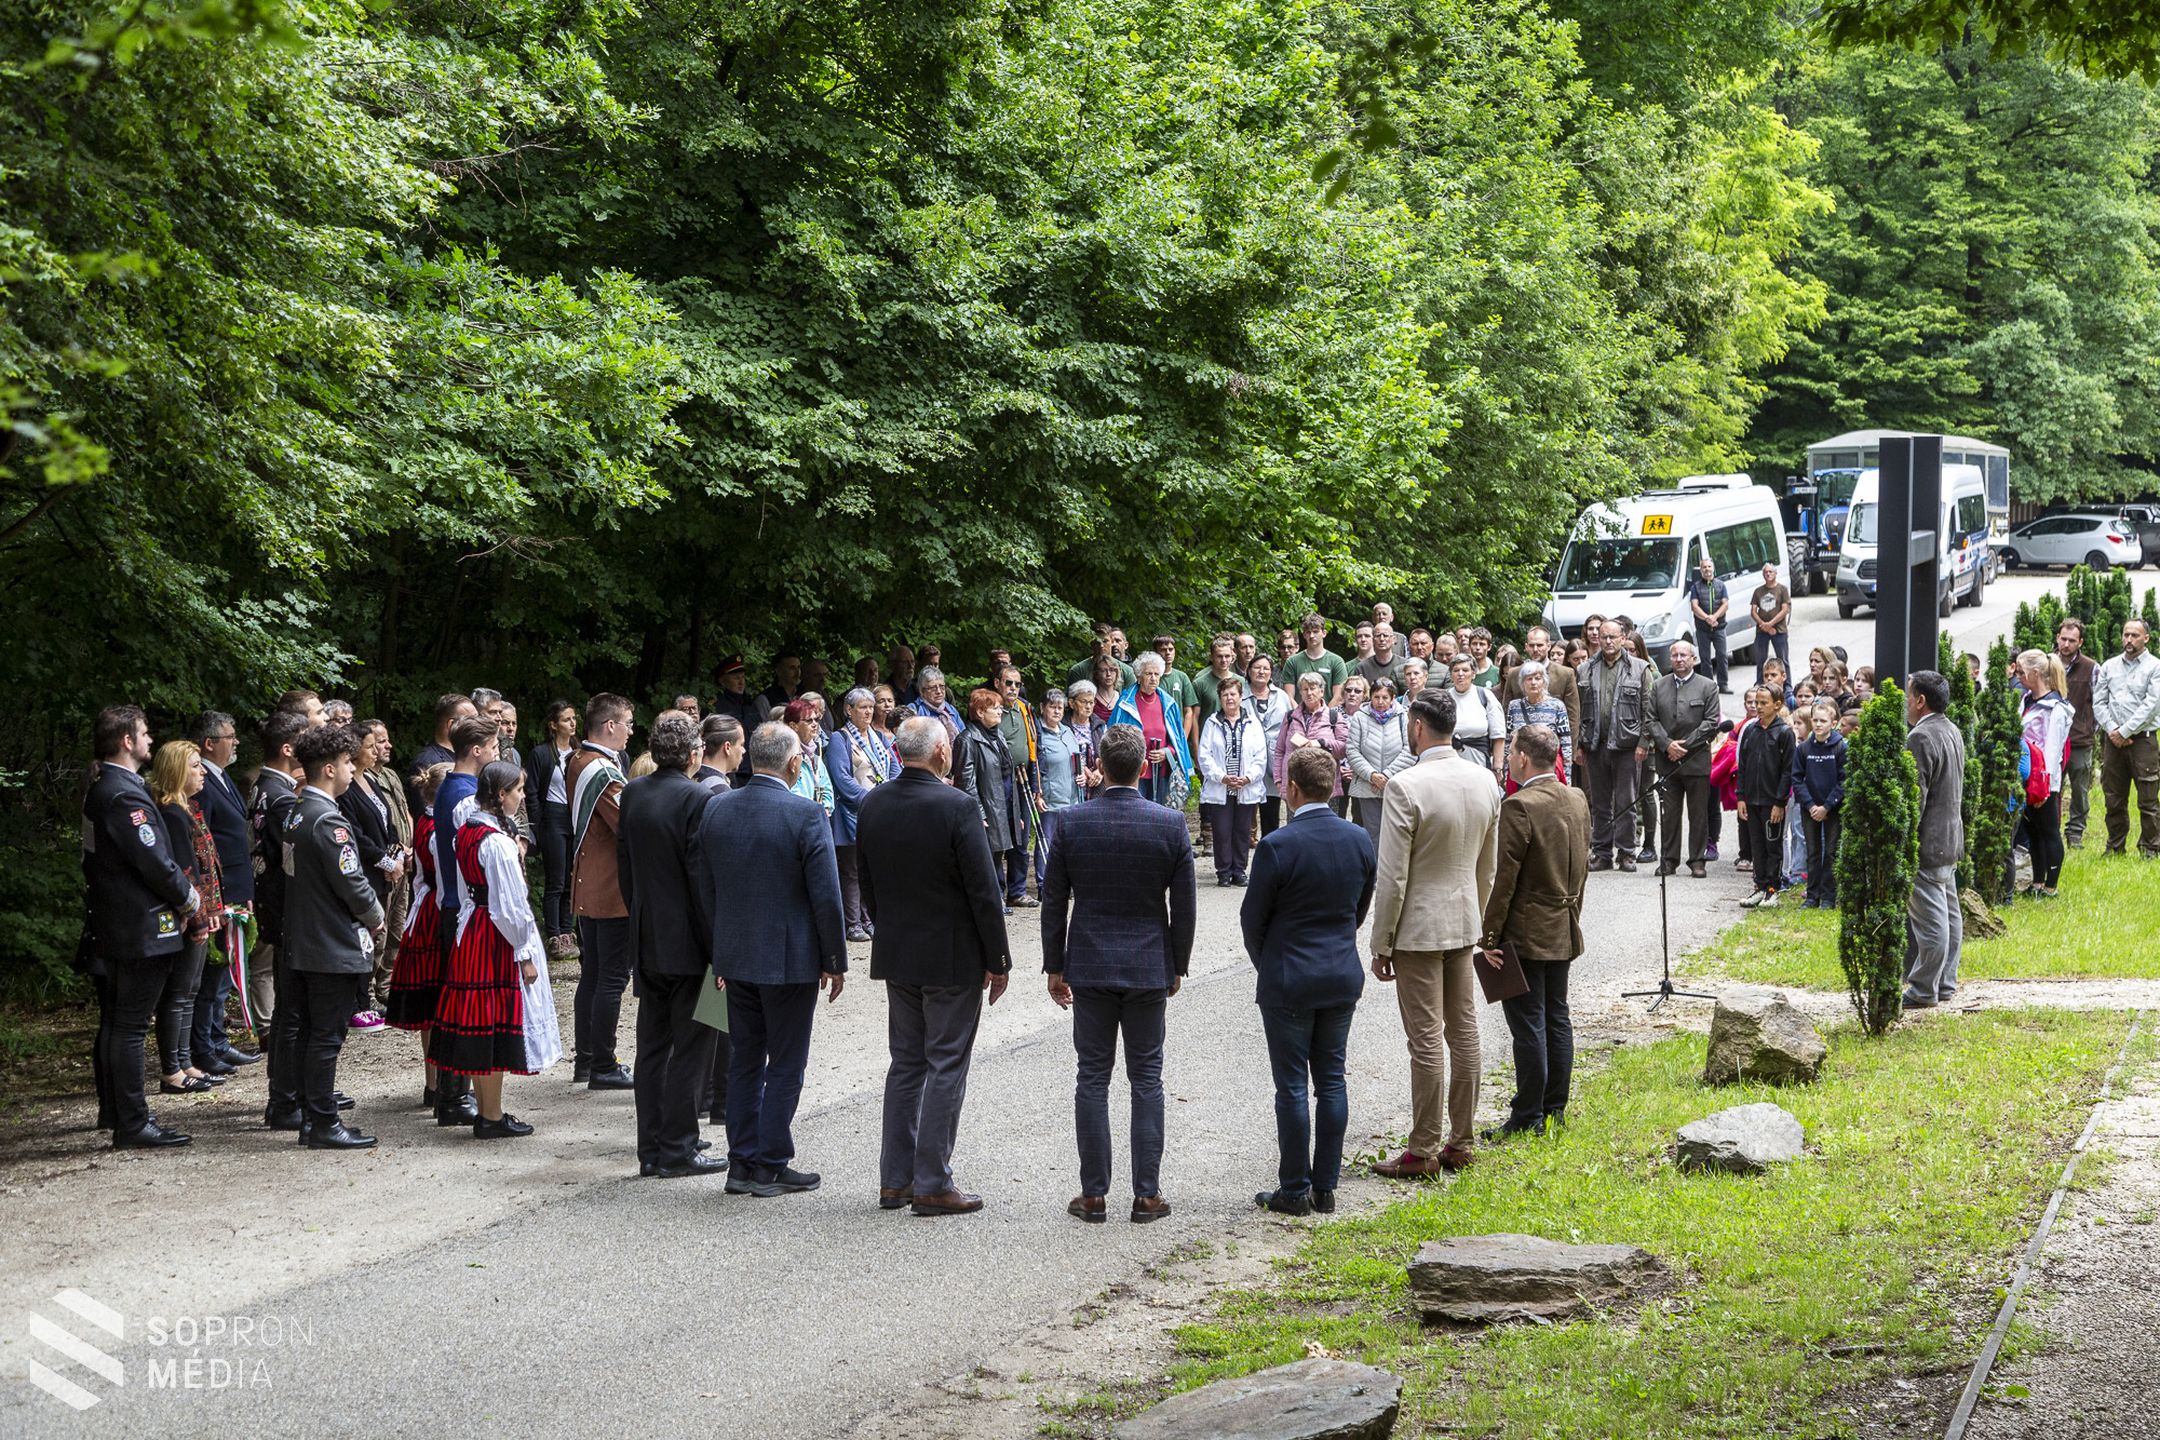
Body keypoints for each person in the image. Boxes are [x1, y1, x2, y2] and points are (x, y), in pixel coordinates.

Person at [852, 717, 1011, 1215]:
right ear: (942, 752)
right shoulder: (958, 806)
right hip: (951, 956)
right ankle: (932, 1181)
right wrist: (998, 958)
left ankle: (894, 1180)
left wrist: (891, 926)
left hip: (899, 952)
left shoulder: (874, 802)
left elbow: (867, 882)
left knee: (906, 1064)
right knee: (945, 1064)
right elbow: (984, 890)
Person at [1042, 727, 1195, 1224]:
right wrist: (1178, 962)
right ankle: (1147, 1195)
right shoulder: (1170, 824)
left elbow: (1053, 902)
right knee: (1146, 1077)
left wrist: (1054, 965)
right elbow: (1185, 907)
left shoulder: (1070, 823)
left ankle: (1093, 1194)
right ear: (1144, 767)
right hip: (1149, 963)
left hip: (1089, 962)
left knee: (1092, 1076)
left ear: (1100, 767)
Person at [701, 723, 848, 1197]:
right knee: (785, 1062)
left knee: (745, 1058)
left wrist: (717, 948)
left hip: (736, 953)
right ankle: (769, 1162)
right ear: (793, 763)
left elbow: (706, 887)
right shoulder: (805, 813)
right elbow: (826, 894)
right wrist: (834, 957)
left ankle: (741, 1162)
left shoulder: (717, 808)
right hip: (790, 958)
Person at [1368, 688, 1501, 1177]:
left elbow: (1394, 877)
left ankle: (1422, 1148)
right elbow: (1487, 868)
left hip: (1418, 929)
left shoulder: (1406, 786)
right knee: (1463, 1032)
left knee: (1425, 1039)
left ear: (1418, 726)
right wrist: (1479, 918)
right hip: (1464, 920)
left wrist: (1381, 942)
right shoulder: (1485, 780)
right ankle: (1461, 1141)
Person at [1239, 746, 1376, 1215]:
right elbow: (1359, 908)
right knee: (1332, 1081)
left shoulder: (1278, 845)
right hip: (1339, 972)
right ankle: (1326, 1186)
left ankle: (1294, 1189)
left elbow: (1252, 919)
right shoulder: (1359, 839)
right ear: (1334, 787)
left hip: (1289, 976)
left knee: (1293, 1086)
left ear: (1291, 789)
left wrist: (1270, 962)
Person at [617, 712, 722, 1176]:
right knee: (693, 1045)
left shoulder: (635, 792)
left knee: (653, 1044)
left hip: (647, 932)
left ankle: (650, 1149)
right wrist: (718, 946)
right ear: (694, 753)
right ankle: (679, 1146)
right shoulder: (697, 797)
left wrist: (638, 915)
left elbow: (626, 868)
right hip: (690, 940)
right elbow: (701, 877)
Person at [434, 759, 558, 1138]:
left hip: (474, 932)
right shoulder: (497, 844)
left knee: (479, 1027)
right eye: (518, 791)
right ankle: (489, 1115)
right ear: (500, 794)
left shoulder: (467, 832)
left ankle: (489, 1111)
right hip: (495, 939)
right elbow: (510, 906)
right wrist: (524, 952)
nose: (522, 798)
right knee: (489, 1027)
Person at [1479, 723, 1588, 1140]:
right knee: (1557, 1016)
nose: (1509, 760)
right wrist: (1573, 910)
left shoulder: (1520, 804)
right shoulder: (1576, 797)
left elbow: (1504, 879)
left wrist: (1490, 937)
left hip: (1526, 929)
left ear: (1522, 757)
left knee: (1529, 1024)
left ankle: (1527, 1114)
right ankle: (1554, 1109)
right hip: (1563, 922)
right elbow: (1582, 868)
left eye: (1512, 754)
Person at [283, 725, 386, 1149]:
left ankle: (312, 1115)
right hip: (330, 944)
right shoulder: (329, 822)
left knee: (310, 1032)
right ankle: (324, 1121)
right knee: (327, 1035)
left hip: (303, 940)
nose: (350, 769)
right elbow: (353, 883)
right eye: (346, 763)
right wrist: (376, 918)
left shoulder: (296, 812)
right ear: (329, 769)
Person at [147, 741, 223, 1098]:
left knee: (190, 991)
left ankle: (186, 1061)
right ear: (177, 770)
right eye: (195, 765)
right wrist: (198, 918)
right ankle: (172, 1067)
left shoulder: (189, 809)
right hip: (189, 916)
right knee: (178, 993)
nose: (203, 771)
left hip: (202, 912)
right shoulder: (172, 814)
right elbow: (186, 871)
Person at [566, 694, 635, 1089]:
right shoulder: (602, 771)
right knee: (610, 978)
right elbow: (628, 822)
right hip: (607, 887)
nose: (629, 731)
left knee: (592, 976)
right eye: (626, 723)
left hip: (588, 881)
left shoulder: (579, 760)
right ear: (609, 725)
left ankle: (588, 1060)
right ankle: (602, 1064)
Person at [189, 711, 258, 1072]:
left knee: (223, 974)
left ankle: (217, 1039)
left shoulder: (222, 778)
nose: (236, 742)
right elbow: (206, 842)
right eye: (230, 737)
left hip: (235, 886)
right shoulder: (202, 783)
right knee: (211, 975)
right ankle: (205, 1046)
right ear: (209, 743)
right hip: (219, 890)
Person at [253, 708, 311, 1132]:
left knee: (292, 1007)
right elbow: (291, 858)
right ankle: (286, 1097)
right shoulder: (280, 797)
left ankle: (296, 1091)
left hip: (278, 906)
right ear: (290, 748)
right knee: (291, 1010)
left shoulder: (268, 788)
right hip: (285, 907)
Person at [1903, 671, 1968, 1008]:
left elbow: (1915, 798)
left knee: (1932, 925)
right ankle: (1944, 984)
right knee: (1950, 916)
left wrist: (1904, 839)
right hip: (1950, 837)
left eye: (1907, 694)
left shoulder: (1921, 737)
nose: (1905, 702)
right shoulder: (1951, 728)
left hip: (1928, 842)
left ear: (1920, 700)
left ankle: (1923, 989)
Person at [387, 763, 449, 1103]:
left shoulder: (427, 822)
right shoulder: (435, 827)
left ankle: (434, 1082)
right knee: (436, 1001)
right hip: (436, 912)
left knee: (432, 1004)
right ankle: (438, 1081)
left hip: (426, 910)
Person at [1646, 639, 1721, 878]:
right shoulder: (1659, 686)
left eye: (1683, 655)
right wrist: (1667, 744)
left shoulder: (1708, 686)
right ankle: (1668, 860)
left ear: (1693, 659)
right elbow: (1650, 720)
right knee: (1669, 814)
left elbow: (1711, 723)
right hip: (1667, 762)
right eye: (1675, 655)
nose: (1679, 659)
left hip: (1696, 760)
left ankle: (1697, 861)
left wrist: (1685, 745)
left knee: (1698, 814)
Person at [828, 686, 898, 941]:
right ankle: (853, 923)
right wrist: (871, 800)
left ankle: (870, 919)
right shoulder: (840, 738)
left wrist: (893, 793)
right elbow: (842, 779)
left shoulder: (878, 737)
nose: (869, 711)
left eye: (871, 706)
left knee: (873, 869)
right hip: (852, 813)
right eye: (862, 707)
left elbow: (894, 768)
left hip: (880, 813)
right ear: (849, 710)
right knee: (852, 870)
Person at [1578, 621, 1648, 873]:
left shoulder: (1639, 668)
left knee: (1626, 800)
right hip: (1595, 745)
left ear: (1622, 638)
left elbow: (1647, 710)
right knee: (1599, 802)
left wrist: (1643, 742)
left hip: (1627, 746)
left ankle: (1627, 852)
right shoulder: (1585, 668)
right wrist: (1579, 744)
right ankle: (1602, 852)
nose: (1607, 641)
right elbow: (1579, 710)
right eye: (1604, 637)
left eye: (1612, 637)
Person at [952, 687, 1023, 911]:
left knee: (997, 854)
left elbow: (1006, 774)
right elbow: (966, 782)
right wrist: (978, 813)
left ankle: (995, 899)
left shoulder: (998, 735)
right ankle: (989, 901)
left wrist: (1016, 811)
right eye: (995, 708)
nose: (1000, 712)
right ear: (980, 712)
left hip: (1004, 803)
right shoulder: (967, 740)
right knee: (985, 857)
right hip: (986, 807)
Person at [2095, 618, 2160, 858]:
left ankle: (2150, 848)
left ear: (2146, 638)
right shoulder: (2109, 666)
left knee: (2148, 797)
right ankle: (2114, 846)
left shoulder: (2155, 667)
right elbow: (2099, 702)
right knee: (2113, 796)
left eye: (2135, 635)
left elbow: (2151, 705)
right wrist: (2113, 729)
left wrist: (2125, 731)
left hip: (2143, 740)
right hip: (2113, 740)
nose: (2129, 640)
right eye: (2126, 634)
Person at [1196, 673, 1269, 885]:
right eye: (1225, 694)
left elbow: (1260, 755)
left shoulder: (1252, 722)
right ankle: (1223, 872)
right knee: (1222, 831)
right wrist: (1222, 777)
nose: (1229, 698)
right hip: (1221, 787)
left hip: (1246, 786)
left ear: (1241, 696)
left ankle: (1239, 871)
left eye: (1233, 694)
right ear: (1220, 697)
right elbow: (1205, 755)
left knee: (1242, 831)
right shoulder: (1212, 722)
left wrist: (1248, 777)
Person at [523, 700, 580, 958]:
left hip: (574, 817)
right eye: (567, 719)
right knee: (556, 879)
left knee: (572, 876)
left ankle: (569, 931)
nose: (573, 723)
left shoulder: (579, 752)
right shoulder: (542, 754)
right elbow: (532, 791)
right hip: (552, 816)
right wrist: (537, 824)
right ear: (553, 725)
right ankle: (554, 935)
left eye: (574, 718)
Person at [2017, 650, 2075, 898]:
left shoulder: (2056, 708)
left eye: (2021, 672)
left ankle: (2051, 886)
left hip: (2044, 780)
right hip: (2027, 776)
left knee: (2049, 830)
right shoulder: (2027, 699)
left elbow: (2053, 750)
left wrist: (2047, 786)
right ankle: (2037, 882)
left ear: (2035, 673)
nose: (2018, 677)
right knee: (2032, 831)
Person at [1108, 653, 1194, 810]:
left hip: (1162, 772)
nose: (1153, 678)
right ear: (1139, 676)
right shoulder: (1125, 703)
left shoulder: (1168, 703)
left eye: (1156, 674)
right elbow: (1112, 737)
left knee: (1159, 813)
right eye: (1148, 674)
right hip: (1132, 771)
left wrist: (1167, 751)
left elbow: (1178, 739)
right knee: (1133, 813)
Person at [1735, 687, 1795, 908]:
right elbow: (1743, 767)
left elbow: (1787, 771)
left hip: (1772, 802)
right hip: (1752, 800)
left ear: (1777, 705)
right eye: (1756, 703)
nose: (1758, 707)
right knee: (1756, 845)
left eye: (1763, 703)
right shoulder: (1751, 731)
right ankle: (1759, 886)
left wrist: (1780, 802)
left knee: (1772, 846)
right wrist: (1741, 796)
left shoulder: (1784, 733)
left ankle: (1772, 888)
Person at [1791, 701, 1846, 909]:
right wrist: (1811, 805)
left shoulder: (1841, 747)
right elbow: (1797, 779)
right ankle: (1812, 896)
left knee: (1831, 852)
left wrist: (1827, 806)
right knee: (1812, 852)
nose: (1818, 725)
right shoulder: (1804, 749)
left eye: (1823, 721)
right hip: (1810, 809)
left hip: (1832, 809)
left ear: (1833, 723)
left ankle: (1829, 897)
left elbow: (1844, 780)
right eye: (1815, 720)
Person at [995, 665, 1042, 903]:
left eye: (1017, 684)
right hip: (1000, 782)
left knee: (1022, 838)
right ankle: (998, 893)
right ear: (997, 683)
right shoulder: (991, 708)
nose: (1013, 688)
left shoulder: (1024, 709)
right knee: (999, 837)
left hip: (1023, 778)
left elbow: (1034, 746)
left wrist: (1036, 786)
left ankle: (1018, 891)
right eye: (1008, 683)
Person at [1034, 688, 1090, 889]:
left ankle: (1069, 883)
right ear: (1042, 708)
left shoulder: (1067, 731)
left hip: (1072, 798)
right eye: (1052, 707)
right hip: (1050, 799)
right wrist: (1038, 793)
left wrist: (1083, 774)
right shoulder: (1037, 734)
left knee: (1070, 844)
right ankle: (1044, 885)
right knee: (1046, 844)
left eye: (1060, 707)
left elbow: (1076, 760)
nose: (1057, 711)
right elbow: (1035, 766)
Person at [1345, 675, 1411, 840]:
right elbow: (1352, 750)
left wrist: (1387, 775)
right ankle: (1374, 866)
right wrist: (1373, 776)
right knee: (1372, 834)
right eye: (1376, 697)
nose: (1380, 701)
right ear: (1370, 697)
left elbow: (1410, 750)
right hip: (1368, 787)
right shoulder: (1360, 717)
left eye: (1385, 697)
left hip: (1395, 785)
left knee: (1396, 834)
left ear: (1393, 698)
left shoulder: (1403, 716)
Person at [1273, 672, 1346, 815]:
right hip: (1295, 786)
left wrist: (1321, 742)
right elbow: (1280, 750)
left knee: (1326, 831)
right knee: (1296, 831)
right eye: (1305, 689)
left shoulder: (1333, 717)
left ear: (1321, 691)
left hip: (1324, 785)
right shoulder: (1290, 717)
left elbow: (1344, 749)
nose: (1309, 693)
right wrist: (1278, 780)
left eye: (1313, 688)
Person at [2056, 621, 2099, 849]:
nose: (2066, 644)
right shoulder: (2047, 663)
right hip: (2052, 740)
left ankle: (2075, 833)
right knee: (2051, 787)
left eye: (2072, 640)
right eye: (2063, 639)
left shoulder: (2091, 667)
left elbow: (2100, 703)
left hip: (2079, 740)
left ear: (2080, 642)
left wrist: (2091, 729)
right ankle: (2051, 829)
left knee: (2080, 789)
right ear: (2057, 638)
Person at [1503, 661, 1571, 785]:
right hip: (1520, 771)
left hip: (1547, 771)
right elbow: (1508, 741)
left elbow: (1566, 744)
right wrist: (1507, 772)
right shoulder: (1514, 706)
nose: (1533, 682)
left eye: (1537, 678)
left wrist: (1567, 777)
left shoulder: (1557, 706)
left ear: (1544, 682)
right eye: (1529, 679)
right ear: (1522, 683)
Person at [1246, 655, 1291, 837]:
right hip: (1247, 762)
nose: (1261, 672)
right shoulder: (1239, 694)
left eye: (1266, 668)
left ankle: (1270, 852)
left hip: (1274, 763)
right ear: (1249, 671)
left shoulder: (1281, 696)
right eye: (1257, 667)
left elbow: (1290, 726)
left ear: (1271, 673)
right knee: (1245, 814)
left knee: (1271, 815)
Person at [1444, 655, 1507, 778]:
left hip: (1478, 761)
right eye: (1456, 670)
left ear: (1473, 674)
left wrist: (1497, 768)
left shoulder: (1485, 696)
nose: (1460, 674)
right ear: (1451, 674)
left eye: (1465, 670)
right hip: (1449, 763)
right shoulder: (1444, 698)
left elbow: (1498, 735)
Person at [1687, 555, 1731, 692]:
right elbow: (1694, 606)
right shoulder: (1696, 587)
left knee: (1722, 655)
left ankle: (1723, 684)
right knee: (1705, 659)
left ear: (1713, 569)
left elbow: (1725, 604)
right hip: (1703, 629)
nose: (1707, 569)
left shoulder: (1721, 585)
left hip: (1719, 628)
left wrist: (1715, 617)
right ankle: (1708, 686)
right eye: (1704, 567)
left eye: (1709, 566)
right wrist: (1707, 618)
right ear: (1700, 570)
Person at [1283, 613, 1348, 704]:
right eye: (1308, 632)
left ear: (1324, 633)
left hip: (1328, 715)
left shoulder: (1336, 661)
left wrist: (1323, 717)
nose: (1312, 636)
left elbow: (1339, 697)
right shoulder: (1292, 661)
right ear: (1304, 635)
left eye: (1316, 631)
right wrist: (1299, 716)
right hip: (1298, 716)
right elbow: (1288, 697)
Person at [409, 693, 475, 782]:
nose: (478, 723)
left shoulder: (464, 755)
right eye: (472, 720)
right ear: (451, 724)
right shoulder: (427, 762)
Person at [1749, 561, 1791, 683]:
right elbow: (1753, 611)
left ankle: (1787, 685)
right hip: (1762, 631)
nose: (1768, 574)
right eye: (1765, 572)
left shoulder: (1782, 589)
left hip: (1779, 631)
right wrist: (1764, 625)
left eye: (1770, 571)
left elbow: (1785, 610)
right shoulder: (1758, 591)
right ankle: (1760, 683)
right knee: (1760, 660)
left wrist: (1771, 624)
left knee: (1783, 659)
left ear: (1775, 573)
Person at [1191, 632, 1241, 734]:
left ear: (1232, 657)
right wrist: (1196, 747)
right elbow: (1194, 718)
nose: (1224, 660)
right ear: (1212, 657)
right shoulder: (1199, 683)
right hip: (1208, 737)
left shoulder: (1240, 681)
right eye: (1219, 656)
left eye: (1227, 656)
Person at [1067, 622, 1137, 691]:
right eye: (1097, 642)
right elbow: (1071, 699)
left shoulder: (1126, 671)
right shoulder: (1079, 670)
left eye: (1105, 641)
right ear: (1092, 643)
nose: (1101, 646)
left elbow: (1133, 698)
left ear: (1112, 642)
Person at [907, 665, 964, 744]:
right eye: (933, 688)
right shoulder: (913, 710)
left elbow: (964, 735)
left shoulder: (950, 709)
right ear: (922, 691)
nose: (939, 691)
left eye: (941, 686)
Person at [695, 713, 746, 792]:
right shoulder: (720, 790)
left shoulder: (689, 778)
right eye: (741, 745)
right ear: (727, 747)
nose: (744, 750)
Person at [1354, 623, 1407, 694]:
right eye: (1378, 636)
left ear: (1393, 639)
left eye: (1385, 635)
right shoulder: (1362, 668)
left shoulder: (1405, 665)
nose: (1382, 639)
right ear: (1373, 640)